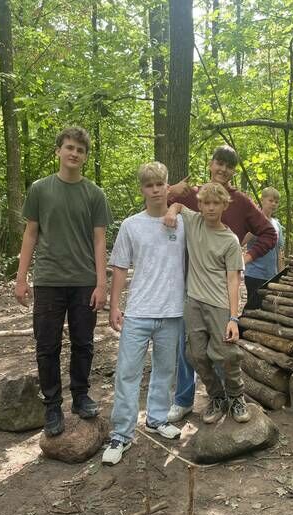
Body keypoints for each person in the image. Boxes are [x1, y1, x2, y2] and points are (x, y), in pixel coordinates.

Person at [166, 145, 277, 422]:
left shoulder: (241, 202)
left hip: (222, 288)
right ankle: (185, 399)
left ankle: (230, 398)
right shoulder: (193, 194)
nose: (223, 169)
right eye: (219, 163)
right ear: (210, 163)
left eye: (229, 166)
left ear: (233, 172)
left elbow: (269, 234)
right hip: (190, 282)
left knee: (222, 349)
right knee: (191, 349)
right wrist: (171, 193)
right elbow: (157, 204)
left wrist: (245, 258)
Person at [15, 127, 112, 437]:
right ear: (58, 150)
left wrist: (101, 283)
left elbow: (99, 240)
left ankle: (81, 396)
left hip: (84, 280)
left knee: (84, 343)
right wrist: (21, 278)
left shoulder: (94, 194)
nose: (74, 153)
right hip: (48, 280)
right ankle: (52, 405)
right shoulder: (40, 189)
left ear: (85, 156)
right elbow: (31, 234)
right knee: (47, 345)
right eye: (69, 147)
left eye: (80, 150)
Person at [102, 162, 185, 466]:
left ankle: (157, 418)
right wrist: (114, 306)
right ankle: (121, 434)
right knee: (127, 373)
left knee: (165, 370)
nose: (155, 190)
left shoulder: (183, 224)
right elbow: (120, 267)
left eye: (160, 184)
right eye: (149, 185)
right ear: (142, 190)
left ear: (167, 186)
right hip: (137, 311)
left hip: (172, 311)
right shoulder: (131, 225)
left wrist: (176, 207)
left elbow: (208, 208)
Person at [164, 183, 250, 424]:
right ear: (200, 205)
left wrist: (233, 318)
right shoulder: (194, 221)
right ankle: (217, 396)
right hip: (193, 302)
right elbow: (178, 205)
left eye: (216, 203)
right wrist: (171, 211)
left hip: (220, 304)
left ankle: (236, 396)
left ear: (224, 206)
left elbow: (233, 280)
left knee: (227, 354)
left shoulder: (230, 240)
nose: (211, 208)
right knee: (195, 354)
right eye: (206, 203)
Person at [243, 186, 285, 310]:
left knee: (267, 308)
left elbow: (279, 251)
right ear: (262, 200)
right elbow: (242, 241)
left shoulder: (277, 224)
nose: (273, 204)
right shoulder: (253, 220)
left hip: (271, 274)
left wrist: (281, 274)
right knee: (253, 307)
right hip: (254, 273)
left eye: (276, 202)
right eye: (270, 200)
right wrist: (255, 225)